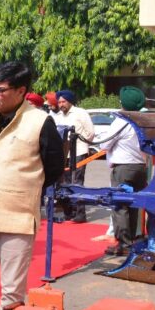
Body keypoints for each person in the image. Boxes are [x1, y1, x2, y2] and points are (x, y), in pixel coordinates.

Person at [0, 61, 65, 310]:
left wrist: (25, 187)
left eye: (0, 90)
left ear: (21, 91)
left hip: (17, 220)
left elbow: (54, 167)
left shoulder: (40, 121)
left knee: (12, 292)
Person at [99, 86, 148, 256]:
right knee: (133, 205)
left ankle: (123, 244)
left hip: (123, 168)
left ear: (122, 103)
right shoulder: (143, 121)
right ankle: (130, 240)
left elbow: (104, 144)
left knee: (120, 206)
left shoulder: (121, 122)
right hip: (140, 167)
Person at [53, 89, 94, 223]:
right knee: (63, 183)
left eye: (63, 102)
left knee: (77, 182)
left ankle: (80, 213)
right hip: (63, 153)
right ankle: (68, 212)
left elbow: (90, 133)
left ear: (70, 101)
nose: (61, 104)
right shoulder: (59, 116)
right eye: (59, 102)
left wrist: (83, 145)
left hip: (78, 152)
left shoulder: (80, 113)